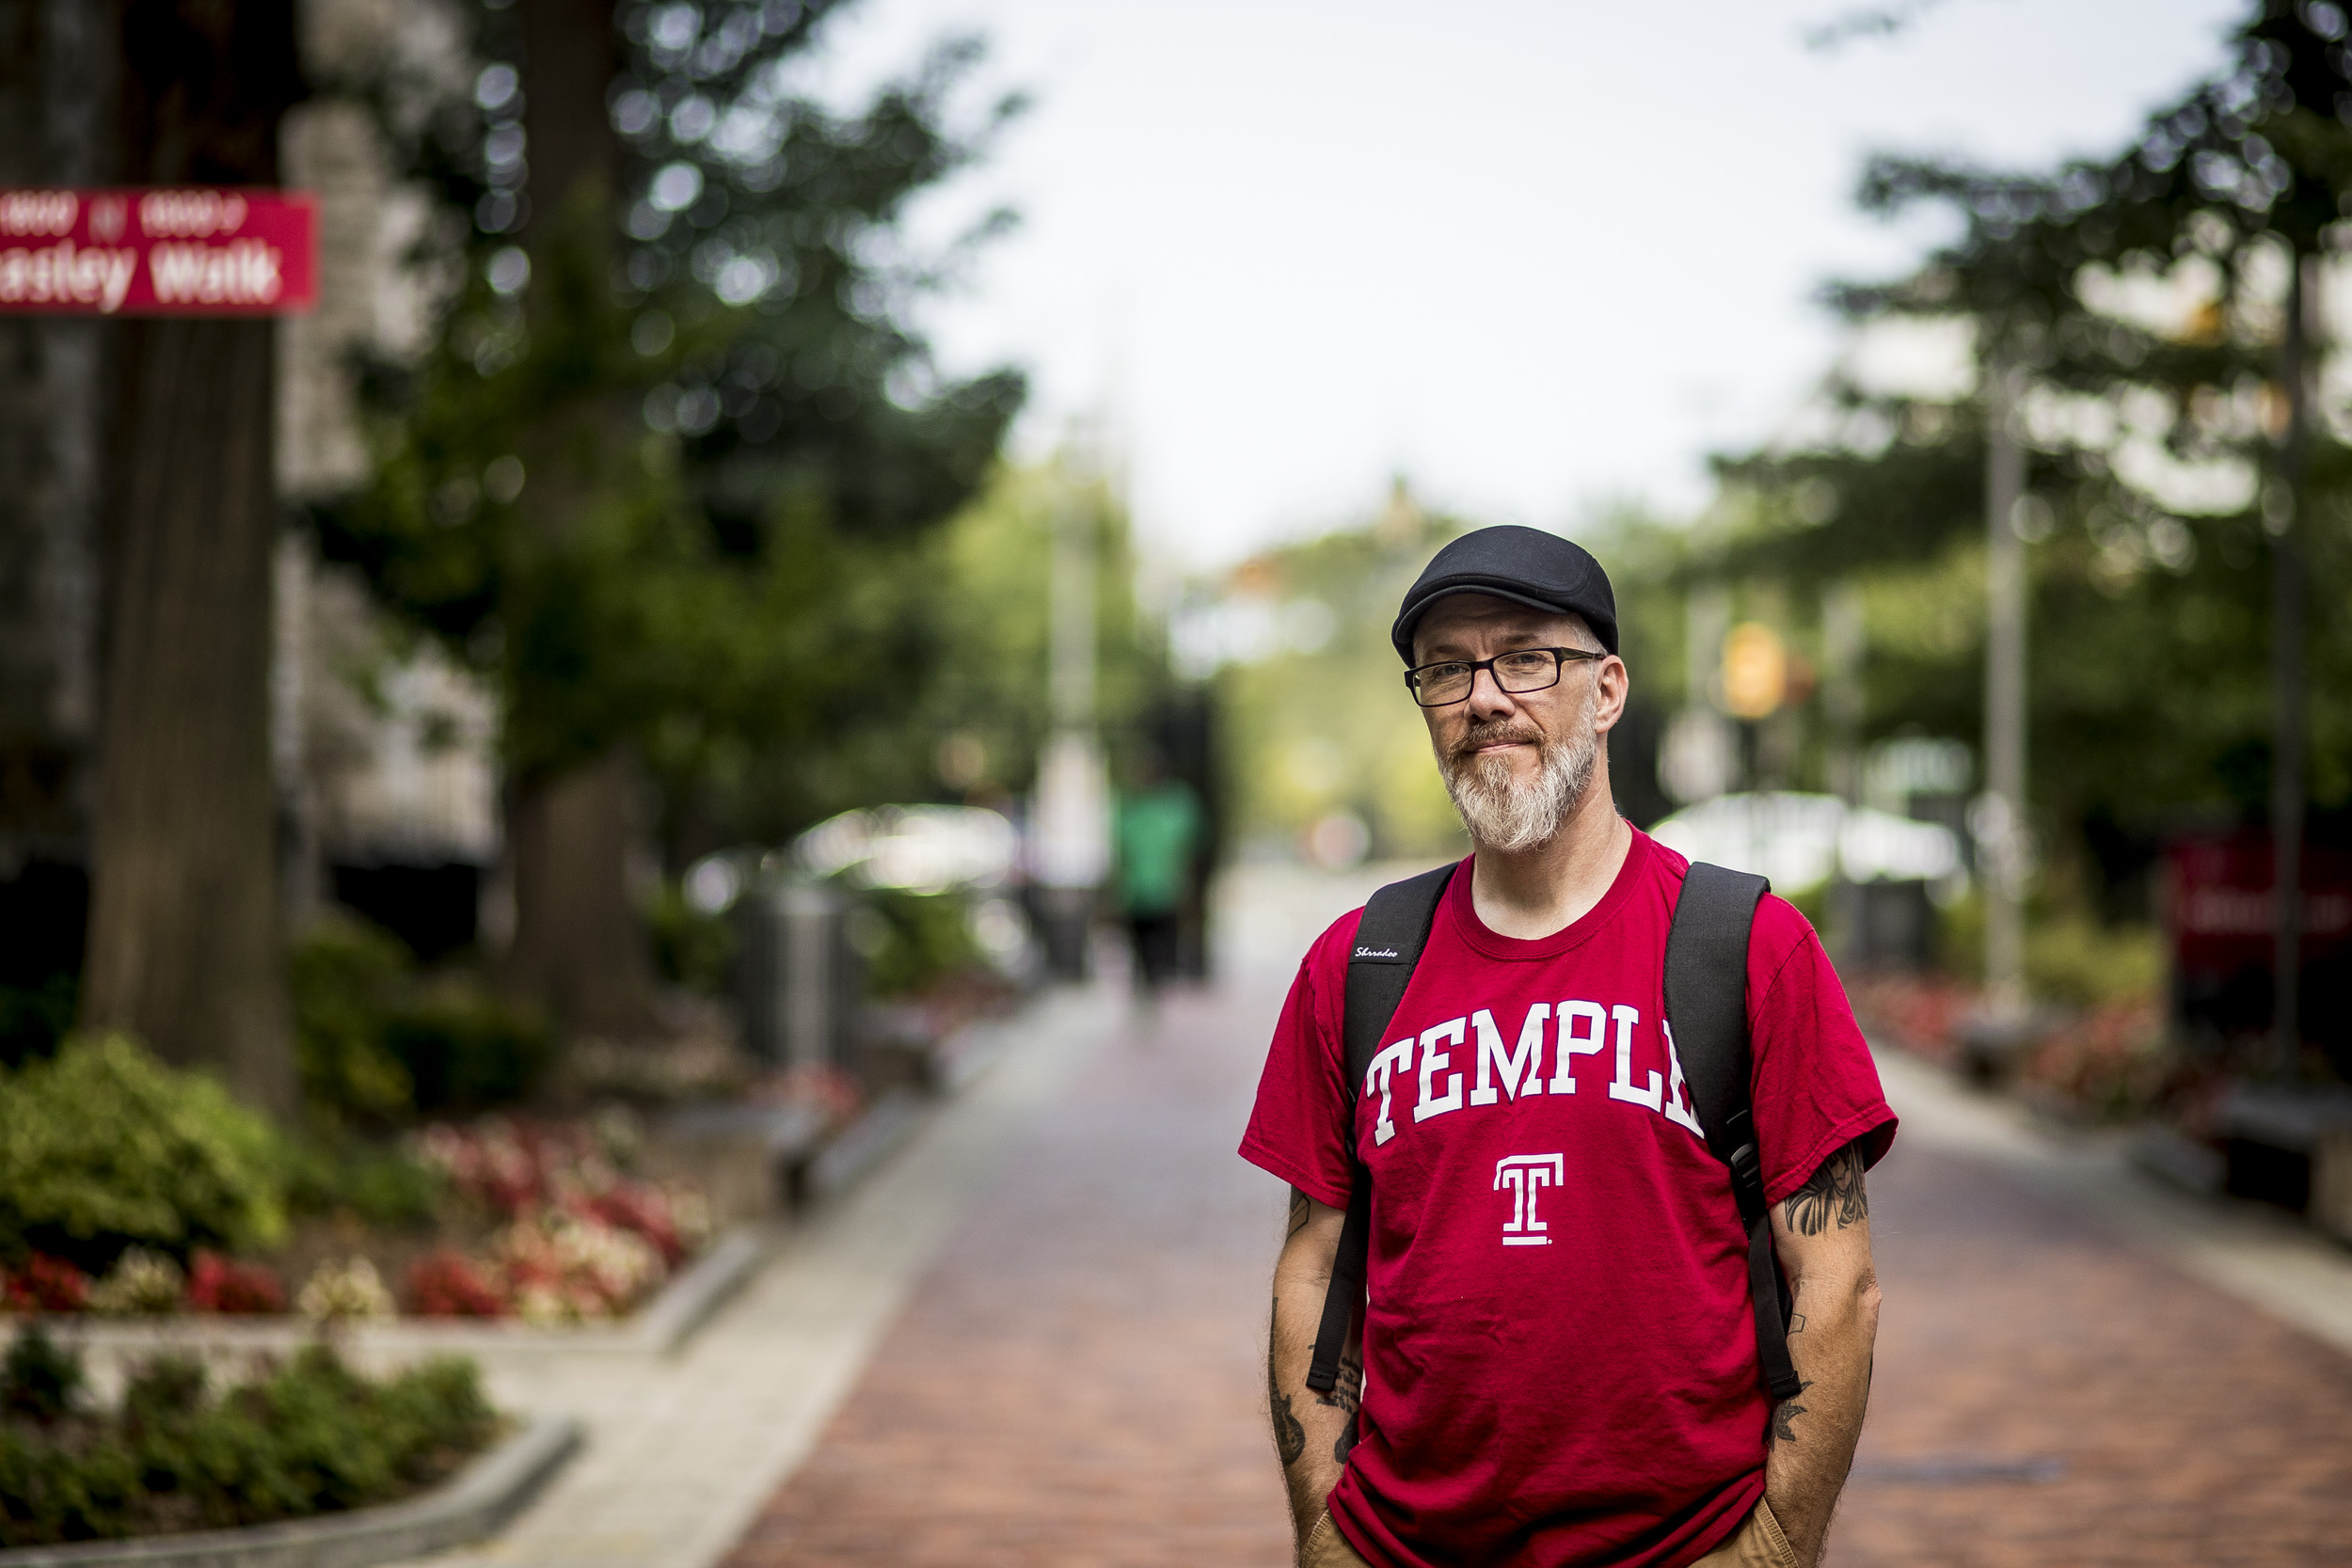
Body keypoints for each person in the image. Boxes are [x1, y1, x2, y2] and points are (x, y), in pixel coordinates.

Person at [1241, 526, 1895, 1568]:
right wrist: (1324, 1536)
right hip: (1403, 1546)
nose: (1483, 695)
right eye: (1446, 667)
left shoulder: (1746, 947)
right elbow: (1311, 1267)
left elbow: (1836, 1276)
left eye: (1526, 656)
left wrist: (1771, 1548)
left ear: (1607, 689)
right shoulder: (1356, 963)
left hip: (1683, 1546)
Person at [1113, 749, 1202, 998]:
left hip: (1167, 889)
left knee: (1163, 942)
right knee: (1140, 941)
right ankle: (1147, 983)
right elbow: (1120, 850)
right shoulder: (1128, 808)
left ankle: (1157, 981)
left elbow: (1192, 846)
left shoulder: (1179, 805)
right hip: (1136, 891)